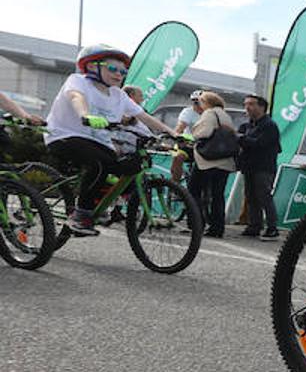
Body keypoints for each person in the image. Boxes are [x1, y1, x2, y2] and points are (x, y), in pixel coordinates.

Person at [43, 44, 172, 235]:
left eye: (123, 71)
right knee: (100, 164)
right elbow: (76, 97)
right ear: (93, 66)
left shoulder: (118, 95)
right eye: (112, 68)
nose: (119, 74)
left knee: (129, 165)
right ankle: (81, 215)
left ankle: (101, 204)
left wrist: (172, 133)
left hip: (97, 142)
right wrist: (85, 115)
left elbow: (144, 117)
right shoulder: (78, 81)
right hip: (64, 135)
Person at [187, 90, 237, 238]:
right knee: (218, 195)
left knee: (193, 190)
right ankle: (217, 228)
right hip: (225, 161)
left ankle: (197, 223)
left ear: (206, 102)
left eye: (201, 102)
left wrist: (192, 136)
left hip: (208, 160)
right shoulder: (225, 115)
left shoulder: (209, 113)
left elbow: (204, 133)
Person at [236, 93, 281, 239]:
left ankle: (272, 227)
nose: (247, 107)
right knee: (250, 196)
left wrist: (241, 138)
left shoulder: (269, 125)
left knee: (264, 196)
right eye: (246, 104)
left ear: (262, 107)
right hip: (249, 166)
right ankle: (254, 225)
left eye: (251, 104)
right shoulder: (247, 125)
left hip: (264, 167)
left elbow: (259, 144)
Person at [170, 90, 205, 183]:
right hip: (187, 144)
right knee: (178, 157)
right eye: (194, 102)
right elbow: (180, 126)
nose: (196, 105)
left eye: (199, 102)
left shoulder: (211, 114)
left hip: (204, 146)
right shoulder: (188, 112)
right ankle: (175, 186)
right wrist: (176, 135)